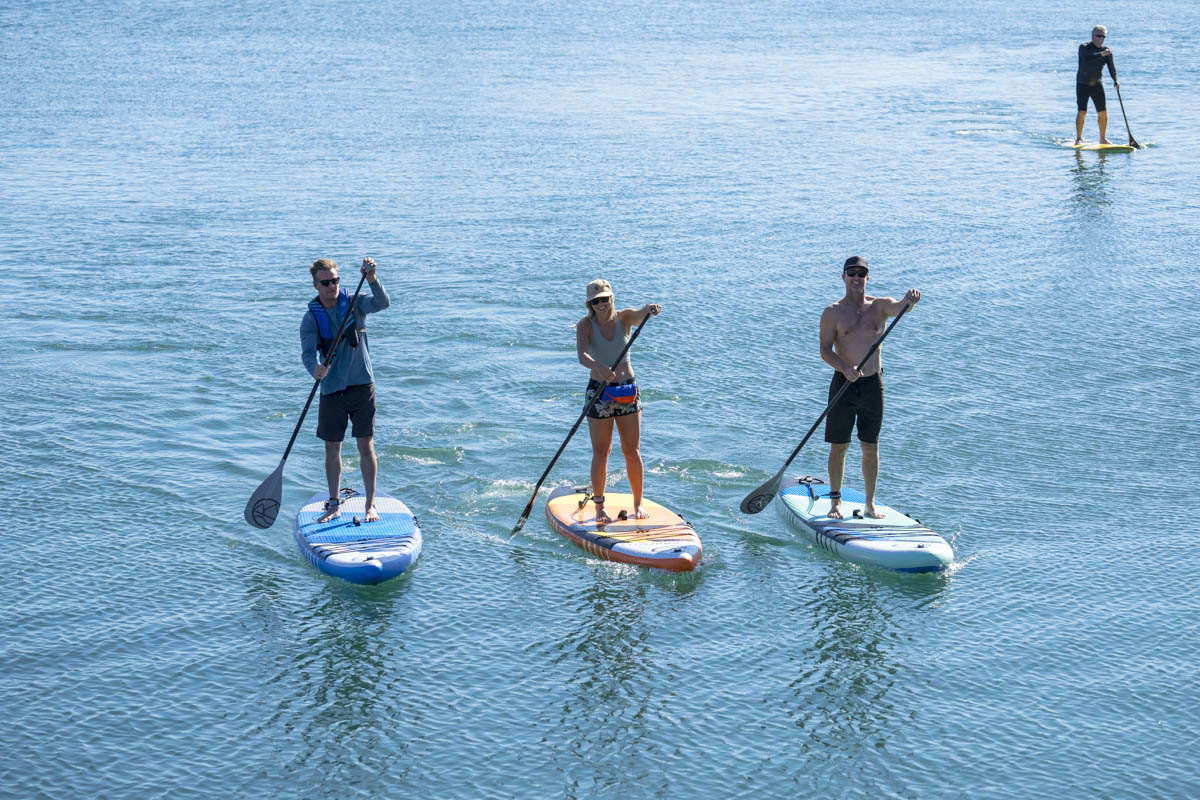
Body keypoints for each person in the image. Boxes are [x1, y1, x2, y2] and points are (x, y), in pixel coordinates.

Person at [818, 256, 920, 519]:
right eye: (851, 273)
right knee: (839, 446)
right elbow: (825, 350)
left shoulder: (880, 306)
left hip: (873, 385)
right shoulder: (832, 312)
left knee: (870, 446)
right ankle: (835, 503)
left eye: (861, 274)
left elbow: (901, 307)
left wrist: (909, 299)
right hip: (844, 384)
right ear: (843, 277)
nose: (856, 278)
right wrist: (844, 367)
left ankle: (870, 503)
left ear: (867, 278)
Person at [300, 257, 391, 523]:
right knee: (332, 448)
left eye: (336, 280)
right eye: (326, 282)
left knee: (365, 445)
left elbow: (383, 303)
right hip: (332, 390)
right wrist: (314, 368)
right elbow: (307, 353)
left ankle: (371, 505)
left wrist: (373, 279)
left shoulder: (355, 303)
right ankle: (333, 503)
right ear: (316, 285)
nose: (332, 286)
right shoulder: (311, 319)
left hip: (362, 384)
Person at [575, 279, 661, 523]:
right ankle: (599, 507)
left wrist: (649, 308)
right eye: (595, 301)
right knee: (602, 452)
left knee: (632, 451)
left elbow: (639, 314)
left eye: (605, 298)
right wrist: (598, 367)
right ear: (590, 304)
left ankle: (638, 503)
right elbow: (582, 355)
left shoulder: (624, 318)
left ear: (611, 298)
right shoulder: (585, 325)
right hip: (599, 393)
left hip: (627, 391)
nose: (601, 304)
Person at [1075, 25, 1119, 145]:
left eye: (1103, 37)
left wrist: (1115, 80)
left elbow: (1111, 67)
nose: (1101, 39)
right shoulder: (1084, 47)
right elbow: (1087, 58)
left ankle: (1102, 138)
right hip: (1082, 84)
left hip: (1097, 85)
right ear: (1092, 35)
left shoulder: (1106, 51)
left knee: (1103, 112)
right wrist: (1101, 54)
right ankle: (1078, 138)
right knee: (1082, 111)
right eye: (1099, 36)